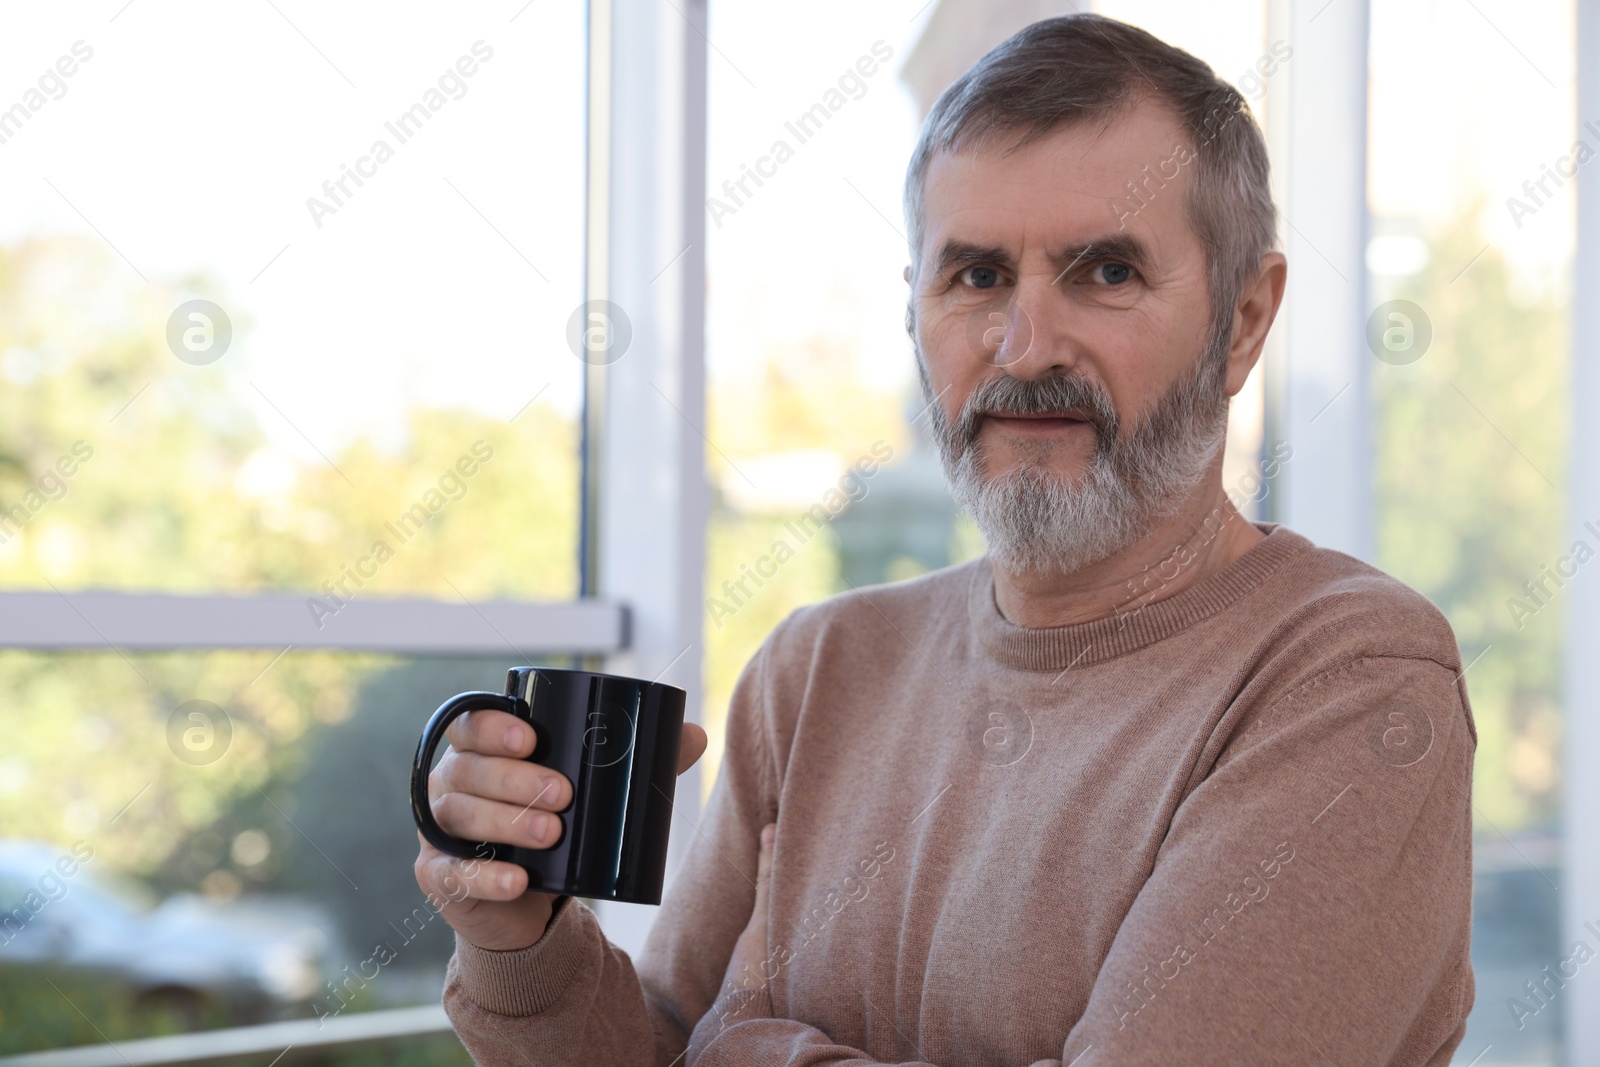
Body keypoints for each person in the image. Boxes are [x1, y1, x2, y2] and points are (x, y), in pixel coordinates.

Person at [414, 13, 1475, 1065]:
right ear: (915, 308)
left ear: (1243, 319)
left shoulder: (1354, 679)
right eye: (975, 275)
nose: (1024, 347)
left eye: (1105, 271)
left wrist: (746, 1050)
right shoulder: (816, 667)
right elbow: (652, 1048)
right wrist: (520, 934)